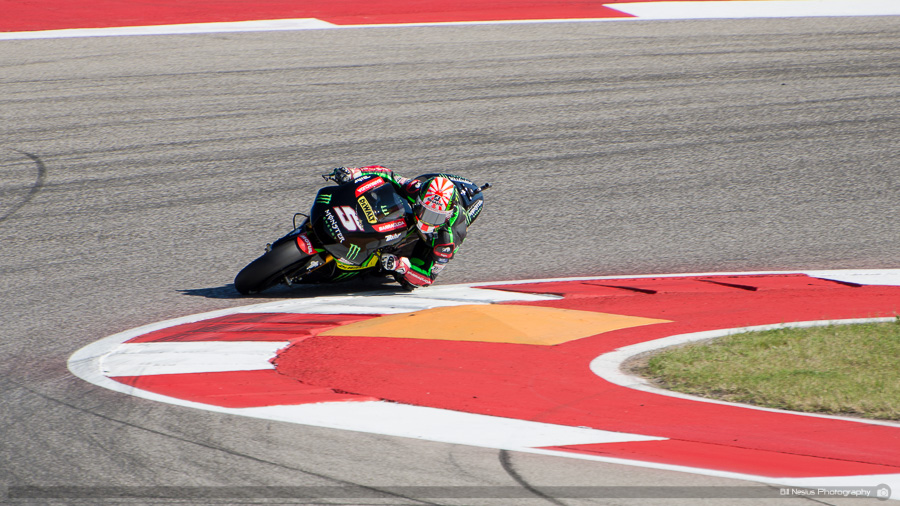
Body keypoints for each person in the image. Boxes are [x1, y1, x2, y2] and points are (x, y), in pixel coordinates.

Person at [330, 165, 467, 290]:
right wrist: (355, 172)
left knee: (408, 283)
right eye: (424, 212)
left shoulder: (447, 240)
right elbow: (387, 175)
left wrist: (401, 266)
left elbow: (428, 278)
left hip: (429, 242)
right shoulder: (415, 189)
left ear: (447, 216)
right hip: (409, 215)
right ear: (419, 201)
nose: (426, 221)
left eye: (435, 217)